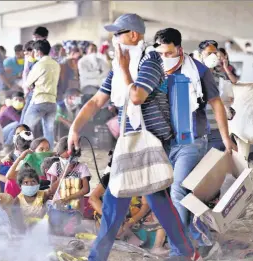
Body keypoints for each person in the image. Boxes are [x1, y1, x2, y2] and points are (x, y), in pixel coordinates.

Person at [67, 14, 203, 261]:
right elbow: (97, 100)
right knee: (143, 199)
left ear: (133, 35)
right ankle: (186, 252)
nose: (114, 39)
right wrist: (75, 128)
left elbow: (137, 96)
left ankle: (99, 257)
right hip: (130, 142)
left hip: (148, 141)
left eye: (117, 34)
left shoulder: (150, 61)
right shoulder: (118, 70)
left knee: (124, 199)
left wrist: (123, 68)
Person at [156, 29, 236, 259]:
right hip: (164, 141)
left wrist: (226, 138)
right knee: (173, 194)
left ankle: (179, 251)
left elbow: (217, 104)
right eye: (162, 53)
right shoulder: (155, 69)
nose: (166, 57)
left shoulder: (199, 71)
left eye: (170, 52)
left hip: (192, 141)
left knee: (179, 190)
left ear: (179, 49)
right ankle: (195, 239)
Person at [198, 40, 238, 152]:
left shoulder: (221, 78)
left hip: (217, 130)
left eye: (214, 53)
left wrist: (229, 108)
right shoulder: (193, 76)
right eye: (208, 53)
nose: (212, 56)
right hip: (199, 130)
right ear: (201, 55)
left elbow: (227, 101)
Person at [22, 40, 61, 147]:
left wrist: (28, 63)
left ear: (38, 52)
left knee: (25, 128)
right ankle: (49, 154)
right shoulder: (56, 64)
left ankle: (22, 152)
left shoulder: (39, 65)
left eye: (34, 51)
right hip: (52, 102)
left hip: (39, 100)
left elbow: (27, 83)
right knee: (49, 131)